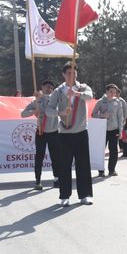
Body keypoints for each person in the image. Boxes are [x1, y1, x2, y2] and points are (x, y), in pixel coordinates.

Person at [51, 64, 94, 206]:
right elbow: (49, 110)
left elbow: (90, 96)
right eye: (69, 73)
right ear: (63, 75)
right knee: (64, 165)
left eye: (74, 73)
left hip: (81, 131)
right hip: (64, 133)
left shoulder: (83, 87)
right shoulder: (58, 91)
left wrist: (76, 94)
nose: (72, 75)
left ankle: (85, 195)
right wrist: (60, 113)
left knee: (83, 165)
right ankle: (64, 195)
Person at [21, 80, 62, 191]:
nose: (49, 89)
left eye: (51, 87)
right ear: (42, 87)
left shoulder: (55, 100)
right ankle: (38, 181)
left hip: (53, 131)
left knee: (55, 157)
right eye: (46, 87)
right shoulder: (36, 101)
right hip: (41, 132)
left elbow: (61, 111)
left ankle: (57, 179)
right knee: (39, 157)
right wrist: (34, 111)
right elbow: (23, 114)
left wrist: (43, 97)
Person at [92, 84, 125, 177]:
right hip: (102, 130)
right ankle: (101, 171)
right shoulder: (100, 102)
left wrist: (120, 130)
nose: (113, 94)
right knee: (101, 150)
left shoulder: (118, 102)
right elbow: (93, 114)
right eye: (111, 91)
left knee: (113, 150)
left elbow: (120, 117)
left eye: (114, 92)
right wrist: (102, 115)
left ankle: (112, 170)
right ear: (106, 91)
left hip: (114, 130)